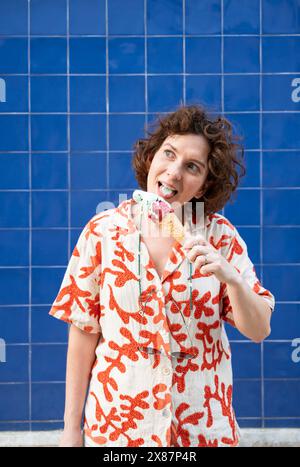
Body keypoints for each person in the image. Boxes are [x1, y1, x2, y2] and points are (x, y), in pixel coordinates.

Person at [49, 104, 275, 448]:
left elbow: (259, 330)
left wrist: (233, 280)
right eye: (168, 154)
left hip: (201, 432)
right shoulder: (103, 231)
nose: (173, 172)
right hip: (117, 431)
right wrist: (70, 429)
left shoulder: (221, 238)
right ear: (152, 157)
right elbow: (82, 335)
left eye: (192, 167)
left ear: (202, 186)